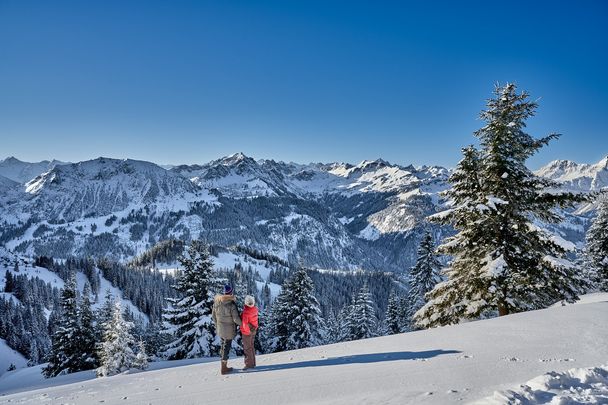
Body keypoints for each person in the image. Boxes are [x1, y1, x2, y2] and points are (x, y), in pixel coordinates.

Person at [212, 284, 242, 375]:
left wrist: (217, 324)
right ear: (231, 293)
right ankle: (224, 368)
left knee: (223, 345)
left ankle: (223, 365)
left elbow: (213, 316)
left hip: (220, 328)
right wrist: (243, 325)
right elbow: (236, 319)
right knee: (226, 347)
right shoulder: (231, 304)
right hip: (229, 330)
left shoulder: (217, 302)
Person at [241, 295, 259, 370]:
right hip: (253, 330)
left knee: (247, 348)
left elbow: (244, 324)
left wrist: (247, 332)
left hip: (247, 333)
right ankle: (253, 363)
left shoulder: (246, 312)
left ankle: (249, 364)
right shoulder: (255, 309)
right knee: (251, 347)